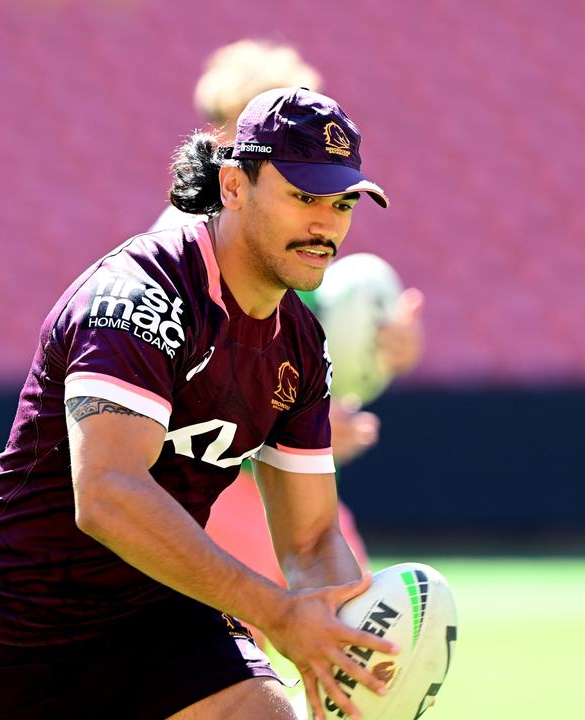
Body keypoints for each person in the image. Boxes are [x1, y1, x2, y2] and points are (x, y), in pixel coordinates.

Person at [0, 88, 397, 720]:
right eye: (304, 197)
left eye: (342, 202)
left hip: (163, 611)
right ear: (234, 185)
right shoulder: (138, 294)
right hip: (23, 628)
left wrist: (337, 646)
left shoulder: (298, 340)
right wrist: (276, 615)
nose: (326, 224)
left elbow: (314, 538)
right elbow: (107, 493)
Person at [150, 40, 425, 631]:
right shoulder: (190, 248)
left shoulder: (285, 254)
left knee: (352, 640)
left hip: (269, 483)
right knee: (347, 637)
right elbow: (197, 398)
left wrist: (389, 351)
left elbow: (316, 354)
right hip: (209, 489)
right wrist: (310, 430)